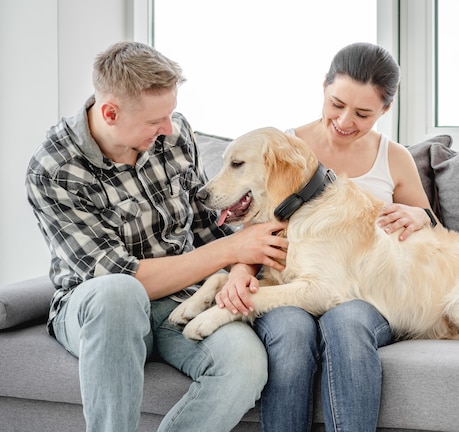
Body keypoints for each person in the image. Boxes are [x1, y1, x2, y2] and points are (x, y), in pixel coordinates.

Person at [25, 41, 288, 432]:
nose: (168, 127)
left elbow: (205, 227)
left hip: (178, 300)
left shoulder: (175, 133)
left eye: (169, 114)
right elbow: (125, 278)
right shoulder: (54, 170)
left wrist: (238, 267)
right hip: (98, 309)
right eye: (155, 121)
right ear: (110, 112)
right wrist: (230, 247)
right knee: (119, 293)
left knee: (245, 363)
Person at [216, 42, 438, 431]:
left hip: (363, 293)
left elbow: (434, 231)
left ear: (385, 110)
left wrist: (419, 215)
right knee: (289, 330)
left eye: (364, 113)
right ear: (323, 87)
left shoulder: (395, 158)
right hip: (289, 284)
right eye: (337, 103)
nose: (345, 120)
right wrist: (238, 272)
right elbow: (253, 227)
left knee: (346, 322)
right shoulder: (281, 148)